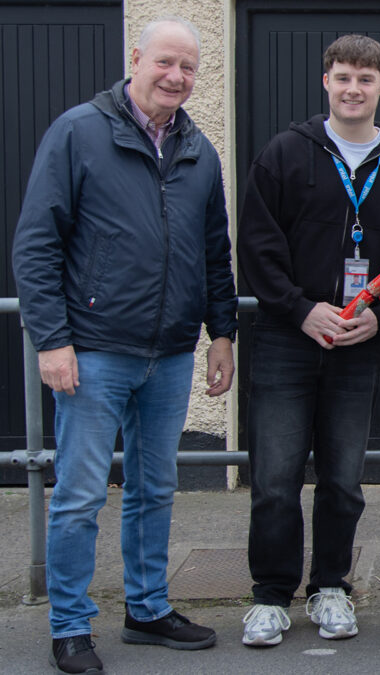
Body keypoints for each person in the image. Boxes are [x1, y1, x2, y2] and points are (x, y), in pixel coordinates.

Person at [10, 16, 236, 675]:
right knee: (80, 492)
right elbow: (37, 243)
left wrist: (221, 332)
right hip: (95, 350)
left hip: (170, 353)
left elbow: (215, 255)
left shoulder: (199, 151)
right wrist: (51, 340)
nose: (177, 77)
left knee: (155, 485)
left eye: (189, 68)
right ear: (135, 58)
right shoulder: (79, 131)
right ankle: (71, 626)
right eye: (166, 62)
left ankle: (147, 608)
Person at [235, 34, 380, 647]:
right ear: (326, 82)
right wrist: (300, 311)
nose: (353, 89)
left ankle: (331, 588)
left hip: (357, 345)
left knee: (343, 480)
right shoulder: (285, 154)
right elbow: (259, 252)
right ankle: (270, 596)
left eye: (365, 80)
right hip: (285, 344)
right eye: (343, 77)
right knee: (274, 478)